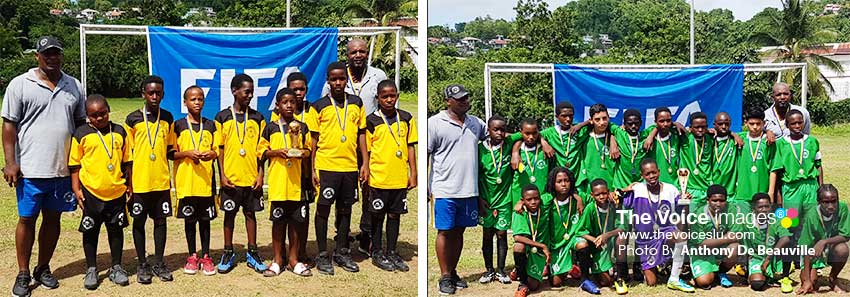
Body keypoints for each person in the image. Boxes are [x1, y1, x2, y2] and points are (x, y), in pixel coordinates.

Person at [3, 36, 86, 297]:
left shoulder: (74, 85)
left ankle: (43, 267)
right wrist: (10, 162)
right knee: (27, 219)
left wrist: (81, 168)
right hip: (30, 169)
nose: (52, 58)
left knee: (53, 219)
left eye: (56, 53)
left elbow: (81, 126)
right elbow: (9, 126)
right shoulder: (20, 84)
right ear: (37, 56)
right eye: (46, 53)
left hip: (62, 170)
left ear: (61, 55)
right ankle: (23, 273)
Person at [323, 39, 389, 253]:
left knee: (370, 188)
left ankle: (366, 233)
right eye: (354, 52)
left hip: (370, 142)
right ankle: (341, 233)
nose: (358, 55)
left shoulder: (378, 75)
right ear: (347, 54)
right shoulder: (337, 77)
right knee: (343, 191)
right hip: (342, 146)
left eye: (362, 51)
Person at [307, 61, 366, 275]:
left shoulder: (357, 103)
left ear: (346, 80)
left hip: (349, 166)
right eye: (334, 79)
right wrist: (312, 168)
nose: (338, 82)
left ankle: (342, 251)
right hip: (326, 166)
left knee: (345, 210)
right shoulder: (318, 106)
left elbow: (361, 135)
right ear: (328, 81)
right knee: (323, 208)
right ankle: (323, 254)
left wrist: (365, 163)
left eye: (342, 78)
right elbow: (313, 140)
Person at [428, 84, 486, 295]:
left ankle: (453, 272)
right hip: (444, 189)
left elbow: (498, 137)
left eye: (466, 98)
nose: (465, 102)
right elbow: (426, 153)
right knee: (445, 230)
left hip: (469, 189)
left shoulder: (476, 123)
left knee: (459, 231)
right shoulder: (434, 123)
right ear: (448, 101)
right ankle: (444, 277)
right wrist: (427, 187)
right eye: (460, 99)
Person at [70, 95, 132, 290]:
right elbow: (74, 165)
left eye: (103, 113)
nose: (99, 118)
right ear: (88, 116)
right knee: (90, 231)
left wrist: (130, 184)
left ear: (109, 110)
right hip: (91, 192)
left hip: (116, 191)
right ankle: (91, 268)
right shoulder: (81, 133)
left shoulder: (120, 131)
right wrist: (76, 188)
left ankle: (116, 266)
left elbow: (127, 161)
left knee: (116, 230)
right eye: (94, 115)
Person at [360, 80, 417, 272]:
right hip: (379, 177)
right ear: (378, 98)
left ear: (398, 96)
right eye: (385, 96)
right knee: (377, 215)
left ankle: (392, 251)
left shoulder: (407, 118)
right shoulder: (371, 120)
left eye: (392, 95)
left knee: (395, 215)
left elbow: (410, 146)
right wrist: (366, 168)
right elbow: (366, 150)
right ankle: (376, 251)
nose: (389, 99)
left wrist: (414, 172)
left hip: (399, 177)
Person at [215, 74, 268, 274]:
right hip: (230, 178)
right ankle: (228, 251)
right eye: (246, 91)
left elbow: (261, 151)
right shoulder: (222, 117)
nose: (250, 95)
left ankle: (252, 252)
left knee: (250, 214)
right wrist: (222, 174)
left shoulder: (257, 118)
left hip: (251, 177)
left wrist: (260, 174)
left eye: (252, 92)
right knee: (229, 215)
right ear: (234, 91)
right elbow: (219, 148)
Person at [124, 75, 174, 284]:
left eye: (158, 93)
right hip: (140, 182)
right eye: (150, 92)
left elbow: (171, 149)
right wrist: (129, 183)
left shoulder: (168, 118)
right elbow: (128, 156)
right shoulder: (132, 119)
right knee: (139, 222)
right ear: (143, 94)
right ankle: (142, 263)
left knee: (160, 221)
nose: (154, 96)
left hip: (161, 181)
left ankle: (159, 261)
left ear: (163, 94)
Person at [260, 88, 313, 277]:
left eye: (292, 102)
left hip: (297, 185)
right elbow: (262, 152)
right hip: (278, 184)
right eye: (285, 102)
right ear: (277, 105)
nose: (289, 105)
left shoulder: (302, 126)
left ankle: (293, 260)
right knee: (278, 223)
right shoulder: (270, 127)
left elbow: (308, 150)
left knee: (297, 223)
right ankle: (277, 260)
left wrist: (301, 153)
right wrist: (277, 152)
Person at [619, 158, 694, 292]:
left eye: (654, 172)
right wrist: (624, 189)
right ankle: (657, 266)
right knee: (651, 283)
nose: (651, 176)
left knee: (680, 236)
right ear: (642, 176)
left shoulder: (671, 190)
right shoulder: (637, 189)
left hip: (665, 232)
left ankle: (674, 279)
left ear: (659, 172)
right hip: (645, 241)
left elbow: (682, 214)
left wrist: (685, 202)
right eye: (647, 174)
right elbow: (618, 199)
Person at [171, 86, 219, 276]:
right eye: (193, 99)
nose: (197, 102)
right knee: (190, 220)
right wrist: (187, 154)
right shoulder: (178, 125)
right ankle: (192, 255)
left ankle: (206, 256)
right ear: (185, 102)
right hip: (187, 182)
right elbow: (171, 153)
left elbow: (217, 150)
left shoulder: (212, 125)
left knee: (205, 220)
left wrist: (212, 154)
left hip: (206, 183)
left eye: (200, 99)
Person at [768, 109, 823, 277]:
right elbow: (777, 173)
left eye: (800, 122)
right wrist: (779, 198)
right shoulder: (781, 144)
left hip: (810, 187)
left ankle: (811, 262)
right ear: (787, 125)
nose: (797, 125)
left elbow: (819, 166)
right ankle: (785, 264)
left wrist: (821, 189)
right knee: (789, 226)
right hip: (791, 190)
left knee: (811, 225)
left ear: (804, 123)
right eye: (793, 123)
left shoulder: (813, 141)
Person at [282, 72, 315, 265]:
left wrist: (312, 172)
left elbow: (315, 143)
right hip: (288, 173)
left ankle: (301, 251)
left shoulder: (313, 110)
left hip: (305, 171)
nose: (298, 93)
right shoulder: (278, 114)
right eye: (294, 90)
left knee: (303, 213)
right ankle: (287, 252)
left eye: (302, 89)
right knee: (286, 214)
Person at [545, 168, 595, 294]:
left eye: (566, 180)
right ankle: (567, 268)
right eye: (559, 181)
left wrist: (577, 197)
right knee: (556, 283)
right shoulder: (547, 199)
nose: (563, 184)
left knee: (582, 243)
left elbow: (599, 198)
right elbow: (531, 199)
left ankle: (585, 279)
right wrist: (520, 202)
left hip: (574, 238)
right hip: (557, 244)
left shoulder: (581, 197)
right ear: (553, 183)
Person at [477, 116, 514, 284]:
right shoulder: (480, 150)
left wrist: (514, 149)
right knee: (487, 234)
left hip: (504, 200)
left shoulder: (508, 145)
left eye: (502, 129)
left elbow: (526, 134)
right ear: (488, 131)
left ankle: (500, 270)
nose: (499, 133)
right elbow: (476, 175)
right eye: (495, 129)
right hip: (486, 200)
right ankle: (488, 270)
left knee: (501, 234)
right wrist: (479, 198)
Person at [797, 184, 850, 294]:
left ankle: (833, 278)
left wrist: (824, 241)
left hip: (830, 248)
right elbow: (806, 246)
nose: (831, 206)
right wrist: (806, 280)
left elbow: (846, 235)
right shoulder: (811, 215)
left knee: (843, 250)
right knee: (812, 284)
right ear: (819, 202)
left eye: (834, 201)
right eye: (826, 202)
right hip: (813, 252)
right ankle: (811, 272)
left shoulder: (843, 208)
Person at [688, 185, 743, 289]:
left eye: (722, 200)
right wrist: (726, 238)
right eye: (715, 200)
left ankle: (720, 272)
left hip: (718, 247)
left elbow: (737, 235)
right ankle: (701, 270)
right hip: (702, 252)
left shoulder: (731, 209)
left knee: (735, 248)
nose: (718, 204)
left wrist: (723, 240)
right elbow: (701, 243)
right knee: (704, 282)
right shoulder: (698, 214)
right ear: (708, 200)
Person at [579, 179, 627, 294]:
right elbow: (581, 231)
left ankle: (620, 277)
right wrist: (596, 240)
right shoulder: (590, 208)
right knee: (605, 282)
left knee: (622, 237)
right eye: (597, 194)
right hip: (597, 246)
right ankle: (592, 267)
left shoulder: (616, 205)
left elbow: (623, 227)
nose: (601, 197)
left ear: (608, 192)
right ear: (592, 195)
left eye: (604, 193)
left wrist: (606, 235)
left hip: (609, 241)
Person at [741, 193, 792, 293]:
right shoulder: (746, 223)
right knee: (757, 283)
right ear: (753, 208)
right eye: (760, 207)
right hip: (756, 257)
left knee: (789, 242)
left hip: (773, 257)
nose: (764, 210)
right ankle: (752, 272)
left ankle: (785, 277)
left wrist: (768, 259)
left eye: (767, 206)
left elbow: (785, 238)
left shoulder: (776, 219)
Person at [511, 184, 551, 297]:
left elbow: (561, 192)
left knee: (533, 286)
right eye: (529, 200)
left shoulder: (545, 206)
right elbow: (517, 237)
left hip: (538, 253)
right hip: (530, 248)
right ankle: (522, 284)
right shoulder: (519, 212)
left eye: (536, 198)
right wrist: (542, 246)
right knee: (519, 246)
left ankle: (519, 270)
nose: (533, 202)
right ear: (522, 200)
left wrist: (578, 199)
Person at [734, 108, 774, 211]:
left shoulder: (769, 142)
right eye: (751, 124)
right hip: (743, 193)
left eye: (758, 123)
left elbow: (774, 168)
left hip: (762, 193)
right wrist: (732, 134)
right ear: (745, 123)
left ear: (764, 123)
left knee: (761, 224)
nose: (755, 127)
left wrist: (771, 192)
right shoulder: (739, 139)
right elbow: (721, 131)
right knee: (743, 224)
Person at [510, 118, 551, 207]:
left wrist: (543, 141)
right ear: (521, 133)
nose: (531, 137)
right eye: (527, 134)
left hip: (540, 197)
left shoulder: (546, 150)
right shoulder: (516, 151)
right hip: (519, 197)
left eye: (534, 133)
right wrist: (515, 151)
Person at [676, 112, 714, 208]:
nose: (700, 130)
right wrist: (675, 123)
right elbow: (666, 126)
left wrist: (733, 134)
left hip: (706, 188)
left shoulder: (711, 138)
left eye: (703, 127)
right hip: (689, 189)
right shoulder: (685, 137)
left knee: (707, 221)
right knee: (689, 220)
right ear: (690, 127)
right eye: (697, 127)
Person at [539, 102, 589, 174]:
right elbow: (524, 135)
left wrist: (580, 125)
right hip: (559, 179)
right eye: (564, 116)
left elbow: (595, 121)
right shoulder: (549, 133)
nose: (568, 119)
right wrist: (543, 142)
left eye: (571, 116)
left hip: (578, 179)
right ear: (556, 117)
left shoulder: (580, 130)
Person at [642, 107, 683, 184]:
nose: (665, 124)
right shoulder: (648, 136)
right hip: (655, 184)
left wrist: (675, 123)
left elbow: (690, 132)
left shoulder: (676, 135)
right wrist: (652, 134)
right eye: (661, 121)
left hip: (674, 184)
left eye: (668, 121)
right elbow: (644, 145)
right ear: (655, 122)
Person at [611, 109, 648, 191]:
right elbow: (606, 126)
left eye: (636, 123)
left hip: (640, 186)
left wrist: (651, 136)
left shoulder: (645, 135)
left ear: (641, 123)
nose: (633, 126)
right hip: (621, 186)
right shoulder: (619, 134)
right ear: (624, 124)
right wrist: (612, 139)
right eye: (630, 124)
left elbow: (658, 126)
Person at [708, 112, 742, 199]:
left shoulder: (736, 140)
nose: (723, 126)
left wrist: (768, 131)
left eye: (726, 124)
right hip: (710, 191)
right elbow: (689, 130)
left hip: (730, 193)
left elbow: (756, 133)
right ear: (714, 124)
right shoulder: (708, 139)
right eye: (720, 124)